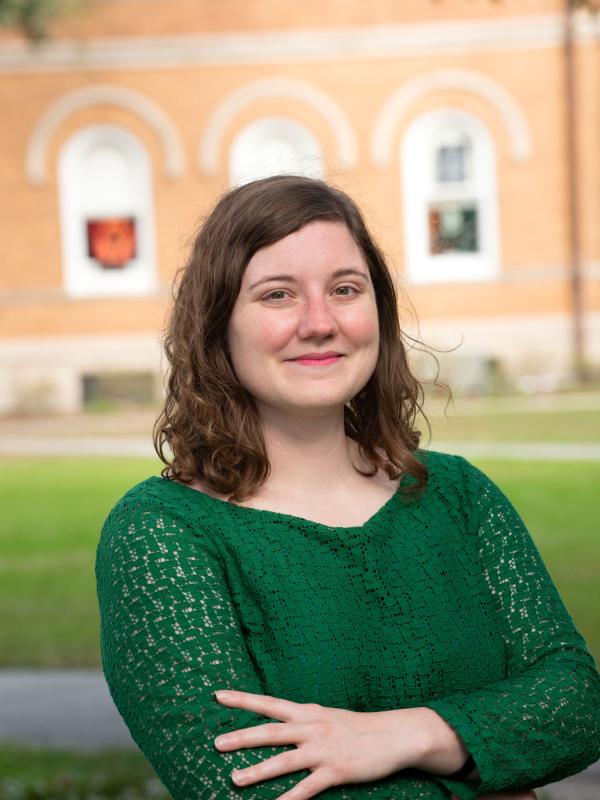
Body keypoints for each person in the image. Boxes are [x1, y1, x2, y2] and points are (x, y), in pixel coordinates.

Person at [95, 175, 600, 800]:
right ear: (218, 324)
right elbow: (242, 786)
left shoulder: (458, 495)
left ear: (378, 311)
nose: (320, 322)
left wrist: (414, 733)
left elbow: (575, 705)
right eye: (277, 295)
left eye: (344, 289)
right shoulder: (163, 532)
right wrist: (491, 773)